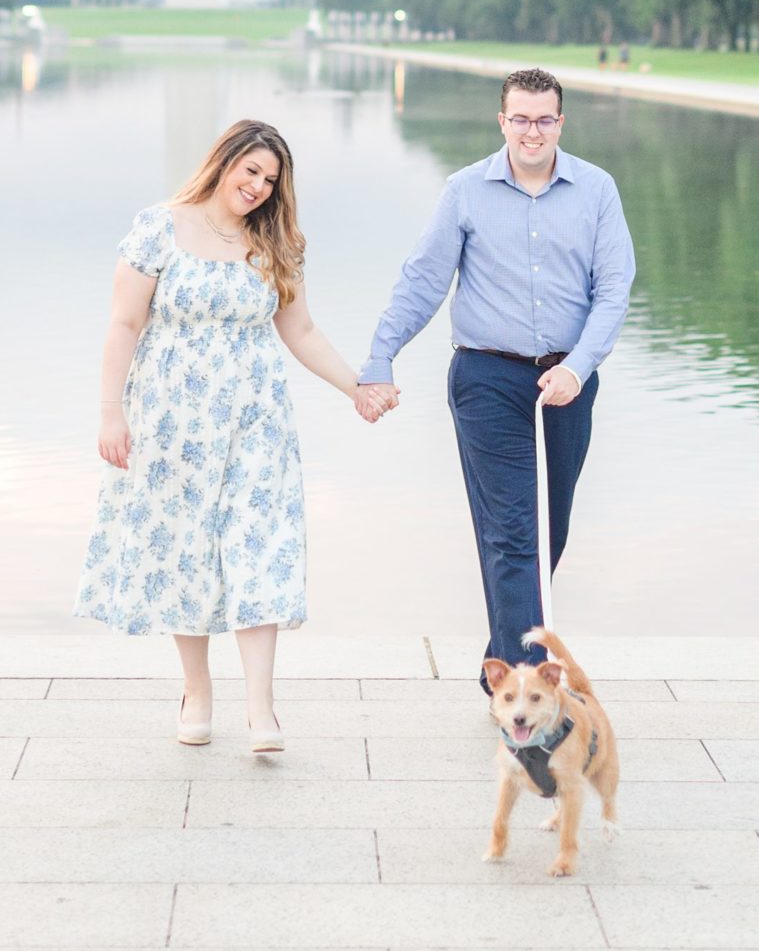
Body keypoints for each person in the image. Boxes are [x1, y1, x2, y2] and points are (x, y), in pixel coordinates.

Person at [74, 117, 388, 749]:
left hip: (256, 420)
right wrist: (112, 411)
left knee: (260, 545)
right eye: (251, 171)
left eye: (271, 180)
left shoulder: (275, 243)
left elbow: (300, 332)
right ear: (224, 162)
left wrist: (357, 385)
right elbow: (124, 325)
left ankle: (262, 708)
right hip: (172, 421)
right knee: (184, 549)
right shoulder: (159, 227)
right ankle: (197, 688)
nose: (258, 188)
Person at [360, 67, 634, 675]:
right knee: (514, 532)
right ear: (502, 121)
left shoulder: (596, 190)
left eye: (543, 120)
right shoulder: (465, 191)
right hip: (486, 379)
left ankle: (501, 661)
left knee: (547, 532)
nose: (531, 132)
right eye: (520, 119)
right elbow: (423, 281)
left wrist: (580, 368)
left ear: (560, 122)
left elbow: (613, 290)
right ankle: (527, 690)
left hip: (566, 382)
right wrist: (381, 357)